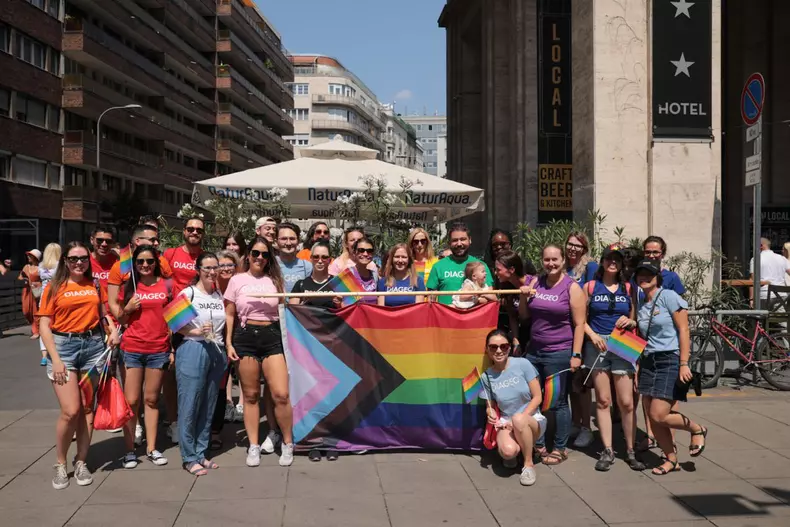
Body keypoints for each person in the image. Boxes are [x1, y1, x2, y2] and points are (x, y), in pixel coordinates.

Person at [39, 242, 119, 490]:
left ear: (88, 260)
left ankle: (81, 460)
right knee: (70, 410)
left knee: (86, 408)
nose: (78, 263)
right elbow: (44, 324)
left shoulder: (94, 285)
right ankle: (61, 463)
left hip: (93, 346)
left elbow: (103, 312)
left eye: (83, 258)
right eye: (73, 259)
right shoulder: (54, 287)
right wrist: (55, 358)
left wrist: (112, 328)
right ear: (65, 261)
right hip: (63, 347)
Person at [224, 237, 294, 468]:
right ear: (248, 255)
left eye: (265, 255)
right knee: (251, 395)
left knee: (281, 395)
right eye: (256, 253)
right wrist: (229, 343)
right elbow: (230, 313)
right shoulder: (236, 280)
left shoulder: (275, 280)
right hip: (245, 337)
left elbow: (285, 309)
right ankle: (253, 445)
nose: (260, 258)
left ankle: (287, 442)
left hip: (272, 336)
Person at [634, 259, 708, 475]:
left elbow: (684, 330)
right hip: (648, 360)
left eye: (649, 273)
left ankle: (697, 428)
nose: (644, 277)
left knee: (659, 413)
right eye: (640, 274)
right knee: (651, 414)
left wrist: (684, 363)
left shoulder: (668, 296)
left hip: (669, 359)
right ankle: (671, 459)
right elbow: (646, 335)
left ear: (657, 277)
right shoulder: (642, 304)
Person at [521, 244, 586, 466]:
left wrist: (576, 354)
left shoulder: (572, 287)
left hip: (559, 353)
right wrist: (522, 296)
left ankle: (560, 447)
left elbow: (579, 324)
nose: (550, 264)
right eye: (547, 259)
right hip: (534, 352)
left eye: (555, 260)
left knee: (558, 402)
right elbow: (524, 315)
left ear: (563, 261)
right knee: (533, 399)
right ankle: (539, 443)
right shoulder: (535, 283)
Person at [582, 245, 645, 471]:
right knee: (603, 400)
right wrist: (592, 336)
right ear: (602, 261)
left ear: (621, 263)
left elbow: (636, 318)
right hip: (597, 345)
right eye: (609, 258)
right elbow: (579, 319)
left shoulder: (629, 288)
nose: (613, 263)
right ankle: (607, 450)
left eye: (617, 259)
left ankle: (630, 449)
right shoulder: (590, 286)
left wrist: (631, 322)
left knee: (627, 402)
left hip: (623, 343)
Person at [116, 246, 172, 469]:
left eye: (149, 261)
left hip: (159, 349)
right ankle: (129, 450)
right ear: (135, 263)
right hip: (133, 348)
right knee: (131, 401)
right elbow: (120, 319)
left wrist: (173, 348)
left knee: (151, 400)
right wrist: (128, 308)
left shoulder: (167, 284)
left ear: (156, 262)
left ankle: (151, 448)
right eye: (140, 262)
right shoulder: (129, 285)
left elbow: (175, 317)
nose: (145, 265)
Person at [176, 253, 227, 476]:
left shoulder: (219, 295)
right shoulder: (188, 293)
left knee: (209, 403)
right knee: (190, 403)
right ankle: (188, 457)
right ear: (198, 269)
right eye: (206, 267)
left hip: (216, 351)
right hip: (193, 349)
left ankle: (201, 452)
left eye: (214, 267)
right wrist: (195, 331)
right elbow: (173, 322)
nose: (211, 271)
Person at [479, 329, 545, 486]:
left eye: (504, 346)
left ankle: (528, 464)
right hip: (506, 420)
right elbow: (490, 405)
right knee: (508, 452)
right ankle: (517, 451)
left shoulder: (523, 364)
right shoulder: (486, 376)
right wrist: (491, 412)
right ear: (487, 350)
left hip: (532, 418)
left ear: (509, 348)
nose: (499, 350)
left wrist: (520, 417)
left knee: (518, 420)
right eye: (493, 347)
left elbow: (538, 397)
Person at [564, 232, 598, 448]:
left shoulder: (590, 268)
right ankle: (575, 423)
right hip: (565, 332)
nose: (573, 248)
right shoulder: (562, 267)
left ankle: (587, 427)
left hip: (584, 331)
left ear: (584, 249)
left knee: (584, 384)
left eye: (578, 246)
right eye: (570, 244)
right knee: (572, 384)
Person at [427, 223, 493, 305]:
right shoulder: (438, 266)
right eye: (455, 240)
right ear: (449, 242)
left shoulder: (481, 265)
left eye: (463, 239)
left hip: (474, 316)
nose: (459, 244)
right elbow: (431, 301)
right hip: (446, 316)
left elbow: (491, 297)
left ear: (470, 240)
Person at [214, 251, 244, 429]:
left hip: (238, 333)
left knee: (241, 370)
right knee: (221, 376)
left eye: (230, 265)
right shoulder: (211, 286)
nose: (226, 269)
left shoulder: (241, 284)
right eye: (222, 265)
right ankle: (226, 404)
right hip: (216, 336)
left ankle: (242, 404)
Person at [494, 251, 534, 355]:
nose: (495, 273)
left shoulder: (534, 283)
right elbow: (513, 317)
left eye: (498, 270)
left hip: (537, 336)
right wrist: (516, 341)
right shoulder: (508, 288)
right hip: (523, 335)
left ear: (511, 270)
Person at [333, 236, 379, 306]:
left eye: (369, 251)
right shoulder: (347, 275)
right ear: (354, 253)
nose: (365, 254)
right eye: (361, 250)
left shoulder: (375, 275)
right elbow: (342, 306)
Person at [291, 241, 336, 310]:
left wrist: (339, 304)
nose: (320, 261)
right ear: (311, 259)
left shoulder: (338, 283)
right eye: (316, 257)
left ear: (329, 260)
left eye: (324, 257)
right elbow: (292, 313)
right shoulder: (300, 284)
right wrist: (303, 303)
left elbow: (349, 311)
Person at [37, 243, 62, 366]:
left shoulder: (41, 266)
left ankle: (44, 355)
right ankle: (55, 350)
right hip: (57, 295)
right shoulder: (60, 266)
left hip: (44, 297)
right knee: (55, 324)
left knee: (44, 324)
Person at [749, 237, 790, 308]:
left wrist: (751, 299)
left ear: (761, 245)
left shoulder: (755, 259)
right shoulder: (782, 258)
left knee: (762, 317)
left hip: (763, 296)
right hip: (782, 296)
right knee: (781, 318)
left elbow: (752, 280)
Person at [89, 226, 119, 315]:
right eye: (99, 240)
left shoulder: (119, 262)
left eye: (108, 241)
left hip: (115, 317)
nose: (104, 244)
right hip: (91, 317)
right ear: (92, 240)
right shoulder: (83, 263)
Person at [276, 222, 312, 293]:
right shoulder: (270, 264)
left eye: (292, 239)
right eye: (284, 239)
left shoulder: (307, 266)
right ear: (276, 241)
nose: (288, 243)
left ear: (298, 241)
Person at [19, 249, 42, 340]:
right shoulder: (26, 267)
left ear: (35, 258)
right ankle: (36, 328)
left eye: (30, 256)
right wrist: (24, 279)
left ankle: (36, 331)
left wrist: (38, 284)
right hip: (27, 291)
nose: (28, 257)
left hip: (36, 291)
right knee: (26, 311)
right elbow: (20, 277)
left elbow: (45, 280)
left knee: (36, 311)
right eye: (28, 255)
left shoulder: (40, 268)